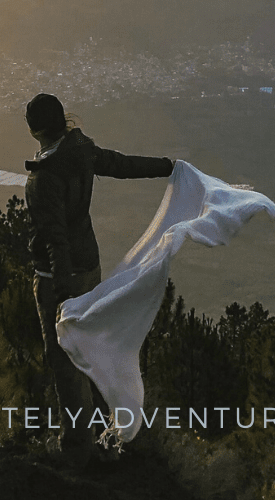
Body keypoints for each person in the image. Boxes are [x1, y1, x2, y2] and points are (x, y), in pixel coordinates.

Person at [23, 92, 173, 467]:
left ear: (35, 130)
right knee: (94, 352)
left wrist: (62, 295)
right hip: (89, 267)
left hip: (60, 277)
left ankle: (78, 450)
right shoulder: (82, 151)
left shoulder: (43, 178)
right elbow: (122, 165)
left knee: (65, 362)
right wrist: (167, 167)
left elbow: (55, 240)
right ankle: (122, 434)